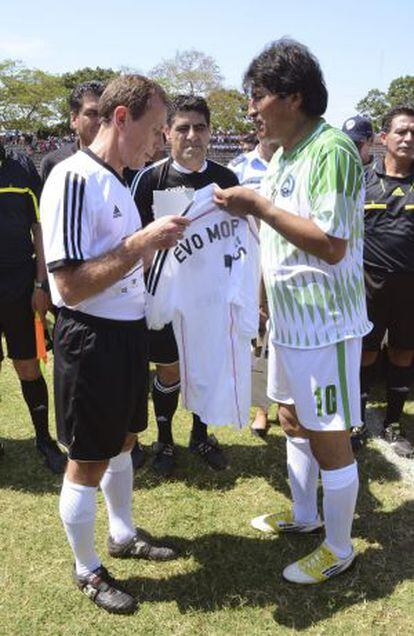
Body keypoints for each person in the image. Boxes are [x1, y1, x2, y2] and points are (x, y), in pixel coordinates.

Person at [214, 38, 371, 584]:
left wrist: (257, 203)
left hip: (325, 325)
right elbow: (276, 239)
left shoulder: (333, 150)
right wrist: (260, 302)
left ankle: (339, 546)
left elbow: (331, 243)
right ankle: (306, 516)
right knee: (290, 418)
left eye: (258, 97)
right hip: (288, 322)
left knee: (329, 435)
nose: (251, 109)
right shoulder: (284, 154)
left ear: (294, 96)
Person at [40, 74, 189, 614]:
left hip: (127, 333)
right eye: (154, 129)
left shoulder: (118, 180)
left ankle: (122, 534)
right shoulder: (74, 177)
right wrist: (139, 244)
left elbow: (120, 260)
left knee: (125, 439)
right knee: (86, 457)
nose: (160, 143)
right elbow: (71, 284)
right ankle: (86, 568)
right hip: (92, 339)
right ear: (121, 118)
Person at [131, 94, 239, 477]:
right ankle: (165, 440)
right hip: (166, 297)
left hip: (211, 296)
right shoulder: (151, 179)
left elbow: (238, 242)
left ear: (210, 132)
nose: (192, 135)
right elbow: (134, 239)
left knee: (205, 366)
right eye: (182, 128)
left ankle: (201, 434)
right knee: (169, 370)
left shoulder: (226, 181)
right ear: (167, 133)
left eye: (200, 127)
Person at [0, 140, 66, 473]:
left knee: (27, 365)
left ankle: (44, 439)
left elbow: (40, 228)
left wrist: (42, 282)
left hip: (20, 283)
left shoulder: (22, 166)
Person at [358, 105, 414, 458]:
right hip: (367, 282)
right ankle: (357, 421)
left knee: (403, 353)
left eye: (413, 133)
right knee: (364, 353)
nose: (408, 138)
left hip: (410, 286)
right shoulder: (362, 180)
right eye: (402, 131)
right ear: (384, 138)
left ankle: (394, 423)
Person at [229, 132, 278, 437]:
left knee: (282, 331)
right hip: (251, 260)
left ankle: (279, 404)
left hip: (288, 261)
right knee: (256, 333)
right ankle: (259, 405)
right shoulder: (238, 167)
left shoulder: (299, 161)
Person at [40, 81, 105, 183]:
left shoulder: (125, 166)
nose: (100, 121)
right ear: (74, 119)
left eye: (105, 114)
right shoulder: (53, 164)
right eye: (92, 114)